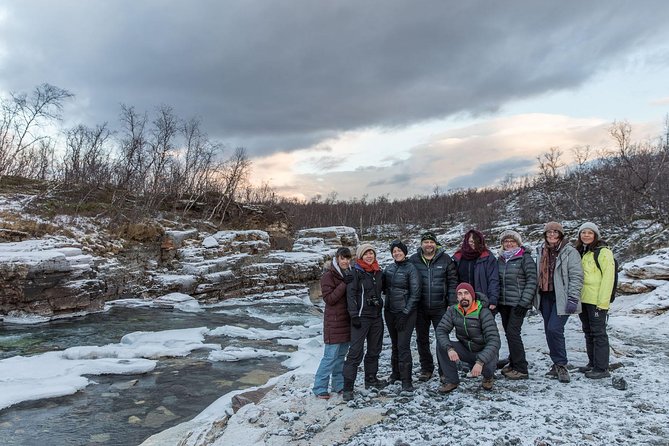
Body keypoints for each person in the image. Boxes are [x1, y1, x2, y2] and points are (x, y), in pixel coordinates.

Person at [534, 221, 583, 383]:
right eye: (549, 233)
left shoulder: (570, 252)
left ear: (560, 234)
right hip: (545, 296)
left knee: (555, 328)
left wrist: (573, 298)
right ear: (545, 235)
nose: (552, 235)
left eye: (555, 232)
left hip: (562, 297)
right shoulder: (541, 251)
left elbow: (576, 276)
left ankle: (562, 365)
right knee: (549, 330)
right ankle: (556, 364)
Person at [409, 231, 458, 382]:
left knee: (442, 338)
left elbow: (452, 282)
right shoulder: (414, 260)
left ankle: (444, 370)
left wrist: (451, 303)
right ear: (421, 244)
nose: (429, 245)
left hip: (440, 307)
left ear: (435, 244)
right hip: (421, 307)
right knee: (421, 339)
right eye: (426, 242)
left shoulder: (445, 259)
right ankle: (426, 368)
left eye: (431, 242)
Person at [435, 283, 501, 392]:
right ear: (457, 297)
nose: (463, 297)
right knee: (441, 346)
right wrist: (450, 349)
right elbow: (441, 330)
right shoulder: (453, 310)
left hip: (483, 350)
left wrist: (480, 362)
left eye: (466, 293)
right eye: (460, 294)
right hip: (465, 348)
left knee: (488, 366)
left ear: (472, 296)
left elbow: (494, 341)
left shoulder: (483, 312)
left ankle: (488, 378)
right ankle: (452, 381)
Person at [342, 243, 385, 401]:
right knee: (355, 353)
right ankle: (348, 387)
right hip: (360, 318)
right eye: (366, 254)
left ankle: (371, 380)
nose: (369, 256)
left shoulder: (378, 272)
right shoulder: (356, 273)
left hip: (376, 317)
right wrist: (354, 315)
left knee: (374, 350)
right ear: (360, 256)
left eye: (371, 253)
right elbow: (351, 295)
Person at [575, 222, 615, 379]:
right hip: (584, 299)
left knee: (599, 333)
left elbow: (608, 279)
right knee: (588, 331)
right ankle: (592, 363)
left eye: (589, 233)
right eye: (583, 232)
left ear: (595, 235)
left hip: (597, 300)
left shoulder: (603, 252)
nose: (586, 235)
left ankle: (602, 368)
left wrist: (603, 303)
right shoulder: (584, 252)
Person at [312, 247, 353, 399]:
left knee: (341, 357)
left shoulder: (350, 273)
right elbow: (329, 299)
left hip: (347, 322)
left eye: (348, 258)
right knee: (329, 357)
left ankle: (338, 385)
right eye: (343, 258)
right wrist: (344, 284)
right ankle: (320, 387)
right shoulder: (328, 276)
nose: (345, 261)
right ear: (337, 259)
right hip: (334, 323)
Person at [497, 230, 537, 380]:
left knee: (513, 333)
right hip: (504, 303)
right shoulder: (500, 259)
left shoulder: (524, 258)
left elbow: (532, 281)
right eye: (506, 241)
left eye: (512, 241)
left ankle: (521, 368)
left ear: (518, 243)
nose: (509, 244)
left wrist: (524, 302)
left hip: (518, 304)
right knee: (508, 333)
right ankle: (513, 363)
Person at [383, 240, 421, 392]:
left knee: (403, 345)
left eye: (399, 251)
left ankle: (407, 380)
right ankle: (396, 374)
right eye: (394, 251)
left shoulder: (411, 269)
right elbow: (381, 286)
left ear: (405, 252)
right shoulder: (389, 268)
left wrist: (405, 313)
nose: (397, 253)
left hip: (406, 312)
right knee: (394, 343)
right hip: (390, 312)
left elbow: (415, 293)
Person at [453, 229, 499, 311]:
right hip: (463, 301)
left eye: (476, 241)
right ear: (466, 241)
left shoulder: (488, 257)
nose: (473, 244)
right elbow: (453, 280)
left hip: (482, 300)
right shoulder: (458, 258)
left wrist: (493, 299)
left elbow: (493, 280)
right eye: (471, 241)